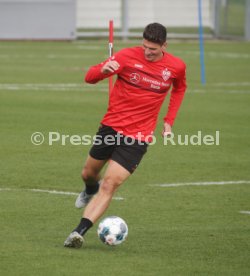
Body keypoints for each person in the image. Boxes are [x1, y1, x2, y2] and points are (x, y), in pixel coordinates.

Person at [64, 22, 187, 248]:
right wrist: (102, 71)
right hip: (111, 126)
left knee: (109, 184)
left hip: (138, 136)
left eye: (153, 49)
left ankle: (78, 232)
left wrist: (169, 121)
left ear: (164, 46)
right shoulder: (126, 56)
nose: (147, 52)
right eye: (145, 47)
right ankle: (90, 188)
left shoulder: (176, 67)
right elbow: (89, 78)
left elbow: (179, 89)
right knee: (88, 174)